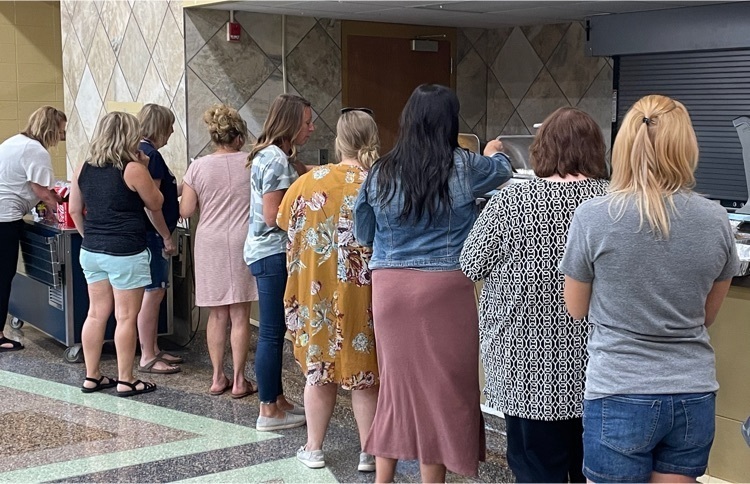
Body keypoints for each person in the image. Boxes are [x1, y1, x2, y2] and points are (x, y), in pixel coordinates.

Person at [560, 94, 739, 483]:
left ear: (624, 146)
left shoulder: (593, 217)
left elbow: (576, 308)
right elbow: (706, 316)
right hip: (692, 393)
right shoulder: (716, 220)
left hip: (619, 390)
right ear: (686, 148)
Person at [353, 84, 513, 482]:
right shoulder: (464, 165)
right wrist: (494, 151)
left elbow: (363, 231)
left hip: (390, 288)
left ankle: (382, 479)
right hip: (445, 288)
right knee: (444, 389)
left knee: (397, 389)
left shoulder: (380, 170)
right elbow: (504, 172)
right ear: (450, 122)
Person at [460, 107, 609, 483]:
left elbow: (471, 264)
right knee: (591, 469)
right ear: (596, 150)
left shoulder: (511, 202)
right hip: (597, 367)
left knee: (536, 470)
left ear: (542, 149)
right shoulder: (613, 204)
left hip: (524, 368)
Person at [277, 110, 380, 472]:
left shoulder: (308, 182)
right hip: (363, 293)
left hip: (315, 292)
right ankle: (369, 452)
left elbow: (283, 222)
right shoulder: (378, 184)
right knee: (365, 374)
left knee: (318, 371)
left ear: (339, 142)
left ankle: (314, 448)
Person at [69, 111, 163, 397]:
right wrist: (144, 167)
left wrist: (91, 238)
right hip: (126, 252)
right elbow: (156, 202)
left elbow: (74, 210)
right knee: (125, 317)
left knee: (95, 314)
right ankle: (126, 380)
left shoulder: (83, 167)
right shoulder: (132, 168)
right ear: (129, 136)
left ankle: (92, 376)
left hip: (91, 251)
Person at [244, 93, 314, 431]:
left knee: (276, 331)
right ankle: (268, 410)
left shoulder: (274, 156)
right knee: (271, 333)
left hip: (266, 253)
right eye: (307, 123)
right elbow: (274, 216)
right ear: (290, 123)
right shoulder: (274, 160)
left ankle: (277, 398)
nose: (311, 129)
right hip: (271, 254)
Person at [180, 104, 258, 398]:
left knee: (216, 314)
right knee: (240, 314)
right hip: (242, 239)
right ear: (239, 137)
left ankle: (216, 377)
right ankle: (239, 380)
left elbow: (186, 210)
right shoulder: (251, 163)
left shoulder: (198, 167)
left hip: (209, 242)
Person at [0, 106, 66, 352]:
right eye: (61, 131)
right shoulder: (35, 150)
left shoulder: (15, 142)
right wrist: (61, 215)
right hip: (4, 218)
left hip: (5, 215)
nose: (62, 136)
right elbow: (43, 192)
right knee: (3, 276)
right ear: (50, 129)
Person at [136, 103, 181, 375]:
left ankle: (152, 347)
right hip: (152, 235)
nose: (172, 131)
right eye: (170, 126)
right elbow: (151, 203)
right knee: (153, 293)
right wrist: (166, 236)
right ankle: (148, 355)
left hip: (149, 234)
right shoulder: (150, 156)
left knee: (156, 292)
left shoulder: (143, 152)